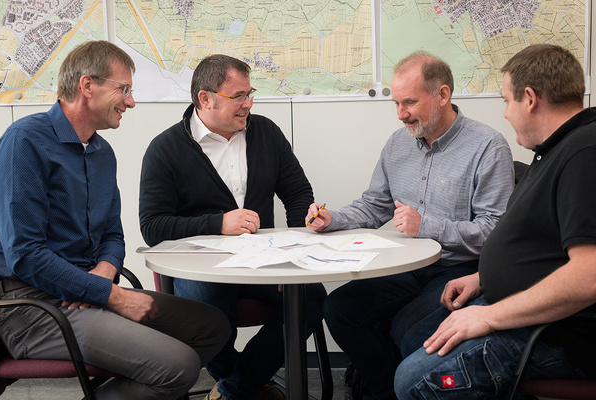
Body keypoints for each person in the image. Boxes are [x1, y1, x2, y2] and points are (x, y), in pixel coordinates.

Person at [0, 40, 231, 400]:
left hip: (89, 292)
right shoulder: (25, 141)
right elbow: (25, 255)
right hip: (34, 306)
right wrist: (113, 295)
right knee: (178, 366)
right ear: (87, 86)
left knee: (213, 327)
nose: (131, 101)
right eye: (124, 89)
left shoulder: (102, 152)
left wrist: (106, 268)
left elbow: (112, 233)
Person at [306, 51, 514, 400]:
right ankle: (389, 391)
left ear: (443, 95)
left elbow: (495, 232)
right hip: (406, 265)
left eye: (410, 102)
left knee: (407, 329)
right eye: (396, 103)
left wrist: (427, 226)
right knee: (338, 310)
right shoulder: (397, 143)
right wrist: (333, 219)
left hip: (459, 269)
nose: (401, 114)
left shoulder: (488, 146)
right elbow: (375, 204)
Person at [394, 43, 596, 399]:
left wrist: (490, 316)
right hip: (516, 307)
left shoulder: (584, 152)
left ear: (529, 98)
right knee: (413, 337)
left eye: (506, 101)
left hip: (553, 333)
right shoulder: (557, 148)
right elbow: (542, 246)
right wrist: (481, 277)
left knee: (413, 381)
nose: (504, 113)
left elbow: (589, 275)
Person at [139, 54, 327, 400]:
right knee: (207, 306)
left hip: (263, 263)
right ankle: (246, 384)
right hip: (201, 270)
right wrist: (217, 224)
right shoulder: (166, 149)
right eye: (238, 96)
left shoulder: (265, 132)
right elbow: (153, 227)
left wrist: (301, 244)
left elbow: (298, 192)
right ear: (205, 99)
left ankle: (234, 389)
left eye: (250, 93)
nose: (248, 104)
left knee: (313, 297)